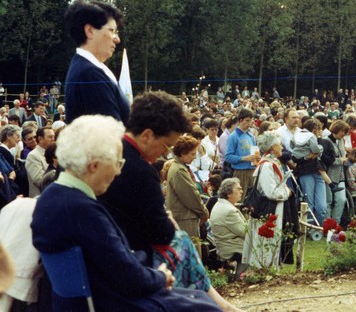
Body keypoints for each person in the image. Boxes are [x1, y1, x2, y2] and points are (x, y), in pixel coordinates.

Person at [31, 115, 221, 311]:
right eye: (117, 163)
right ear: (94, 165)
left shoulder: (51, 198)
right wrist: (161, 276)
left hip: (83, 300)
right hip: (110, 301)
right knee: (204, 306)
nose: (118, 172)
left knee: (197, 298)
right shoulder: (83, 210)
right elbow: (128, 276)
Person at [99, 92, 240, 311]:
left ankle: (220, 304)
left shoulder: (108, 151)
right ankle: (218, 304)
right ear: (147, 135)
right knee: (182, 241)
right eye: (166, 146)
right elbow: (162, 233)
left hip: (114, 252)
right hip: (132, 258)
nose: (165, 153)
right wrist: (168, 220)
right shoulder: (141, 171)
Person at [63, 0, 130, 124]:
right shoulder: (89, 73)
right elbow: (111, 135)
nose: (117, 39)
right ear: (90, 30)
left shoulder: (87, 68)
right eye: (112, 31)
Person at [242, 131, 296, 269]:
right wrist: (287, 192)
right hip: (269, 209)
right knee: (267, 240)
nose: (282, 148)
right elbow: (271, 192)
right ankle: (265, 267)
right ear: (272, 147)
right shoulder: (266, 166)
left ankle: (271, 266)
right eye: (279, 145)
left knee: (274, 239)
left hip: (276, 208)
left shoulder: (272, 163)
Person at [164, 135, 209, 238]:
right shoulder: (179, 170)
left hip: (184, 217)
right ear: (183, 154)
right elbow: (191, 195)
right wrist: (203, 212)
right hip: (185, 218)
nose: (194, 157)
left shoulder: (178, 167)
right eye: (192, 154)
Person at [210, 178, 247, 270]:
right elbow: (246, 232)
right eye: (239, 189)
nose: (241, 192)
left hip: (226, 245)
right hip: (232, 247)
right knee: (262, 247)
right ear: (229, 193)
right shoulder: (229, 211)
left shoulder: (220, 205)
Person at [225, 108, 260, 196]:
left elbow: (254, 151)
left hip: (252, 170)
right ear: (240, 120)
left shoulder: (251, 135)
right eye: (247, 121)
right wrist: (244, 158)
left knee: (252, 199)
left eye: (250, 121)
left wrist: (257, 158)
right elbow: (228, 157)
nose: (249, 124)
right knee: (239, 197)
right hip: (240, 171)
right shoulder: (233, 136)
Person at [326, 120, 350, 223]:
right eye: (342, 131)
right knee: (328, 201)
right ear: (336, 130)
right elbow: (328, 160)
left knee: (341, 199)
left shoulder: (341, 140)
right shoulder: (326, 141)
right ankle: (326, 223)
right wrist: (341, 160)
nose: (343, 134)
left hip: (340, 175)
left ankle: (336, 222)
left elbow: (342, 154)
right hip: (329, 175)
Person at [25, 126, 55, 197]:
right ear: (40, 139)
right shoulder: (33, 156)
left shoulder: (55, 153)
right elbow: (40, 180)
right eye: (50, 137)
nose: (53, 139)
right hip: (41, 198)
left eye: (54, 136)